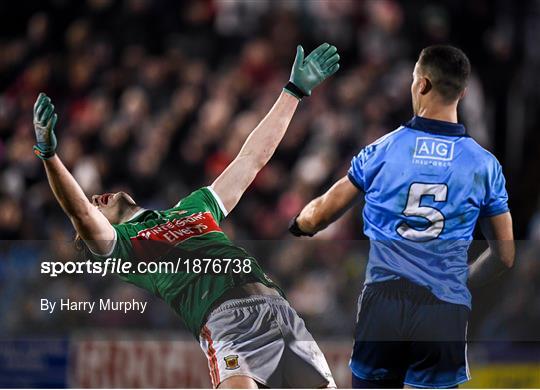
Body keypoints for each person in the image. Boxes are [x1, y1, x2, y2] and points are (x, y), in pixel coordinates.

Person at [33, 43, 340, 389]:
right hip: (228, 325)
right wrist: (49, 156)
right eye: (96, 206)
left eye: (95, 199)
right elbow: (80, 212)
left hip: (279, 309)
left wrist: (293, 92)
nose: (95, 199)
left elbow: (251, 159)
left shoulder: (193, 206)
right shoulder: (125, 248)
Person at [289, 45, 515, 388]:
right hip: (444, 308)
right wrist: (461, 279)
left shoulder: (384, 150)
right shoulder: (484, 165)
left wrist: (297, 225)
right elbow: (505, 255)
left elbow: (319, 215)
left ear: (421, 84)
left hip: (385, 302)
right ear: (463, 92)